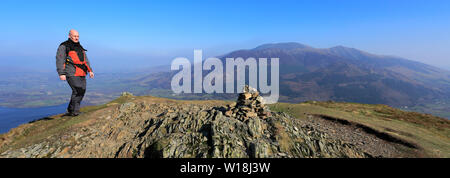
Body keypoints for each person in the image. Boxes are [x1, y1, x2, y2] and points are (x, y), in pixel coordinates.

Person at [56, 29, 94, 116]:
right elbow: (60, 60)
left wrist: (90, 70)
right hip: (71, 72)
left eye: (78, 36)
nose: (76, 38)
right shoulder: (64, 46)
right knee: (77, 90)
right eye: (74, 36)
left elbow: (85, 60)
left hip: (82, 72)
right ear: (69, 36)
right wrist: (61, 73)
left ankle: (72, 109)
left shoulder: (79, 47)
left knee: (82, 90)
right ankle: (74, 112)